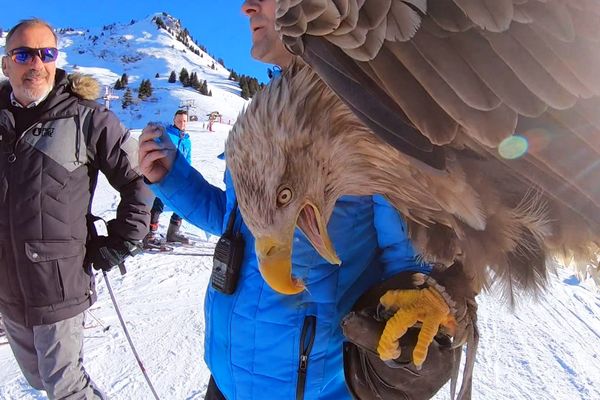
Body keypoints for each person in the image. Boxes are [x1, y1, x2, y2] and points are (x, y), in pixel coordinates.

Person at [138, 2, 429, 399]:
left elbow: (408, 264)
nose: (246, 7)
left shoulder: (361, 122)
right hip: (227, 378)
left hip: (314, 387)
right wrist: (173, 180)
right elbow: (233, 224)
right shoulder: (265, 114)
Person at [0, 19, 151, 399]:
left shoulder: (87, 118)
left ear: (55, 60)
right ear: (6, 65)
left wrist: (124, 238)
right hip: (7, 289)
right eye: (23, 54)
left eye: (45, 53)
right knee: (37, 380)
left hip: (59, 283)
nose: (35, 62)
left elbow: (140, 179)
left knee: (64, 387)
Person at [143, 109, 192, 248]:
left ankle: (173, 232)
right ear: (174, 120)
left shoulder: (187, 140)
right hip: (164, 176)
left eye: (184, 121)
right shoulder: (167, 135)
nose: (182, 123)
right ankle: (150, 235)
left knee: (182, 204)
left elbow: (188, 160)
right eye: (179, 120)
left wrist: (187, 175)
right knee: (158, 204)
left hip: (179, 177)